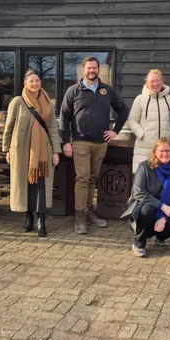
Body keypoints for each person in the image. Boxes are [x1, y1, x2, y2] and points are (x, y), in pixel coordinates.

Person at [60, 56, 130, 234]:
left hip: (101, 143)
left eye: (94, 68)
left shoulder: (107, 90)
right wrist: (66, 141)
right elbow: (64, 117)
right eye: (88, 68)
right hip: (80, 141)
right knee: (82, 178)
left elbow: (123, 110)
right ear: (83, 70)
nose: (92, 71)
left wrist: (115, 130)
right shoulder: (74, 90)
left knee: (92, 179)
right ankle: (80, 215)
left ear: (99, 70)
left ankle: (90, 211)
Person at [3, 68, 62, 237]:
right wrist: (6, 149)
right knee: (26, 184)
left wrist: (56, 151)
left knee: (41, 186)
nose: (35, 84)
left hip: (43, 153)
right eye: (31, 81)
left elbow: (52, 128)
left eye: (37, 80)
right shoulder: (17, 102)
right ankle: (28, 217)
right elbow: (9, 127)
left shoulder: (48, 102)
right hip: (22, 151)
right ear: (25, 84)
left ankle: (41, 220)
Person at [126, 138, 170, 257]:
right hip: (143, 207)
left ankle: (160, 236)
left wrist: (164, 218)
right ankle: (139, 242)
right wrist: (163, 207)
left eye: (168, 151)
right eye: (161, 151)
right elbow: (138, 192)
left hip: (164, 210)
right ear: (155, 152)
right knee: (148, 210)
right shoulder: (145, 167)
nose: (165, 154)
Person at [128, 69, 170, 172]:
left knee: (162, 182)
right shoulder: (140, 99)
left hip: (164, 151)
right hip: (144, 148)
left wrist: (166, 135)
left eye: (157, 81)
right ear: (147, 83)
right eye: (152, 81)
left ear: (162, 81)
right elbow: (132, 120)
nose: (155, 84)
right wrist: (142, 134)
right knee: (143, 180)